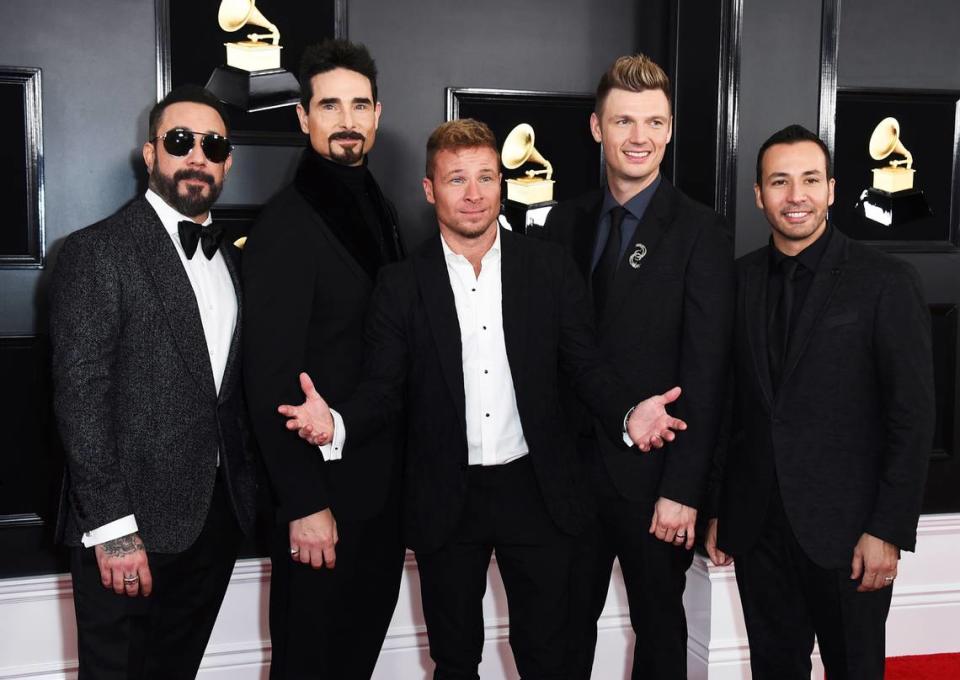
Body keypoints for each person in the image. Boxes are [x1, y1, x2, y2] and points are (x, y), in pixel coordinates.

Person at [279, 118, 689, 680]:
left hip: (538, 491)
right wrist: (338, 425)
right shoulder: (401, 284)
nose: (473, 194)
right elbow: (383, 388)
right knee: (454, 659)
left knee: (549, 658)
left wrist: (627, 413)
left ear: (501, 184)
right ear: (430, 189)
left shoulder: (547, 267)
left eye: (486, 178)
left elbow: (585, 366)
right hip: (446, 495)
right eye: (456, 180)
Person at [705, 124, 934, 680]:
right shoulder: (737, 282)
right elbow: (726, 403)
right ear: (759, 195)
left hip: (852, 533)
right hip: (759, 529)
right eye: (779, 182)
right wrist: (718, 506)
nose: (795, 195)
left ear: (832, 189)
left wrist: (888, 529)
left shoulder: (885, 282)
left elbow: (913, 416)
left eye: (809, 179)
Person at [49, 85, 256, 678]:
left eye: (212, 145)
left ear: (227, 162)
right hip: (126, 530)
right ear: (150, 154)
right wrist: (113, 530)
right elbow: (81, 400)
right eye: (180, 141)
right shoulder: (99, 251)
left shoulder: (233, 261)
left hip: (212, 526)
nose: (197, 155)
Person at [540, 53, 734, 679]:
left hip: (654, 485)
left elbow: (706, 371)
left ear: (671, 129)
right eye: (623, 121)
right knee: (562, 631)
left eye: (653, 122)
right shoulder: (561, 223)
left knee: (658, 632)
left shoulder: (701, 232)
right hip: (569, 477)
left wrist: (683, 491)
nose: (639, 137)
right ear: (597, 128)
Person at [241, 39, 405, 680]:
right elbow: (268, 376)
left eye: (358, 104)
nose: (346, 119)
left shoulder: (380, 207)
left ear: (377, 114)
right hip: (322, 504)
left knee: (354, 662)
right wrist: (304, 503)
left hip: (381, 495)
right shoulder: (286, 222)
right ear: (303, 117)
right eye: (329, 105)